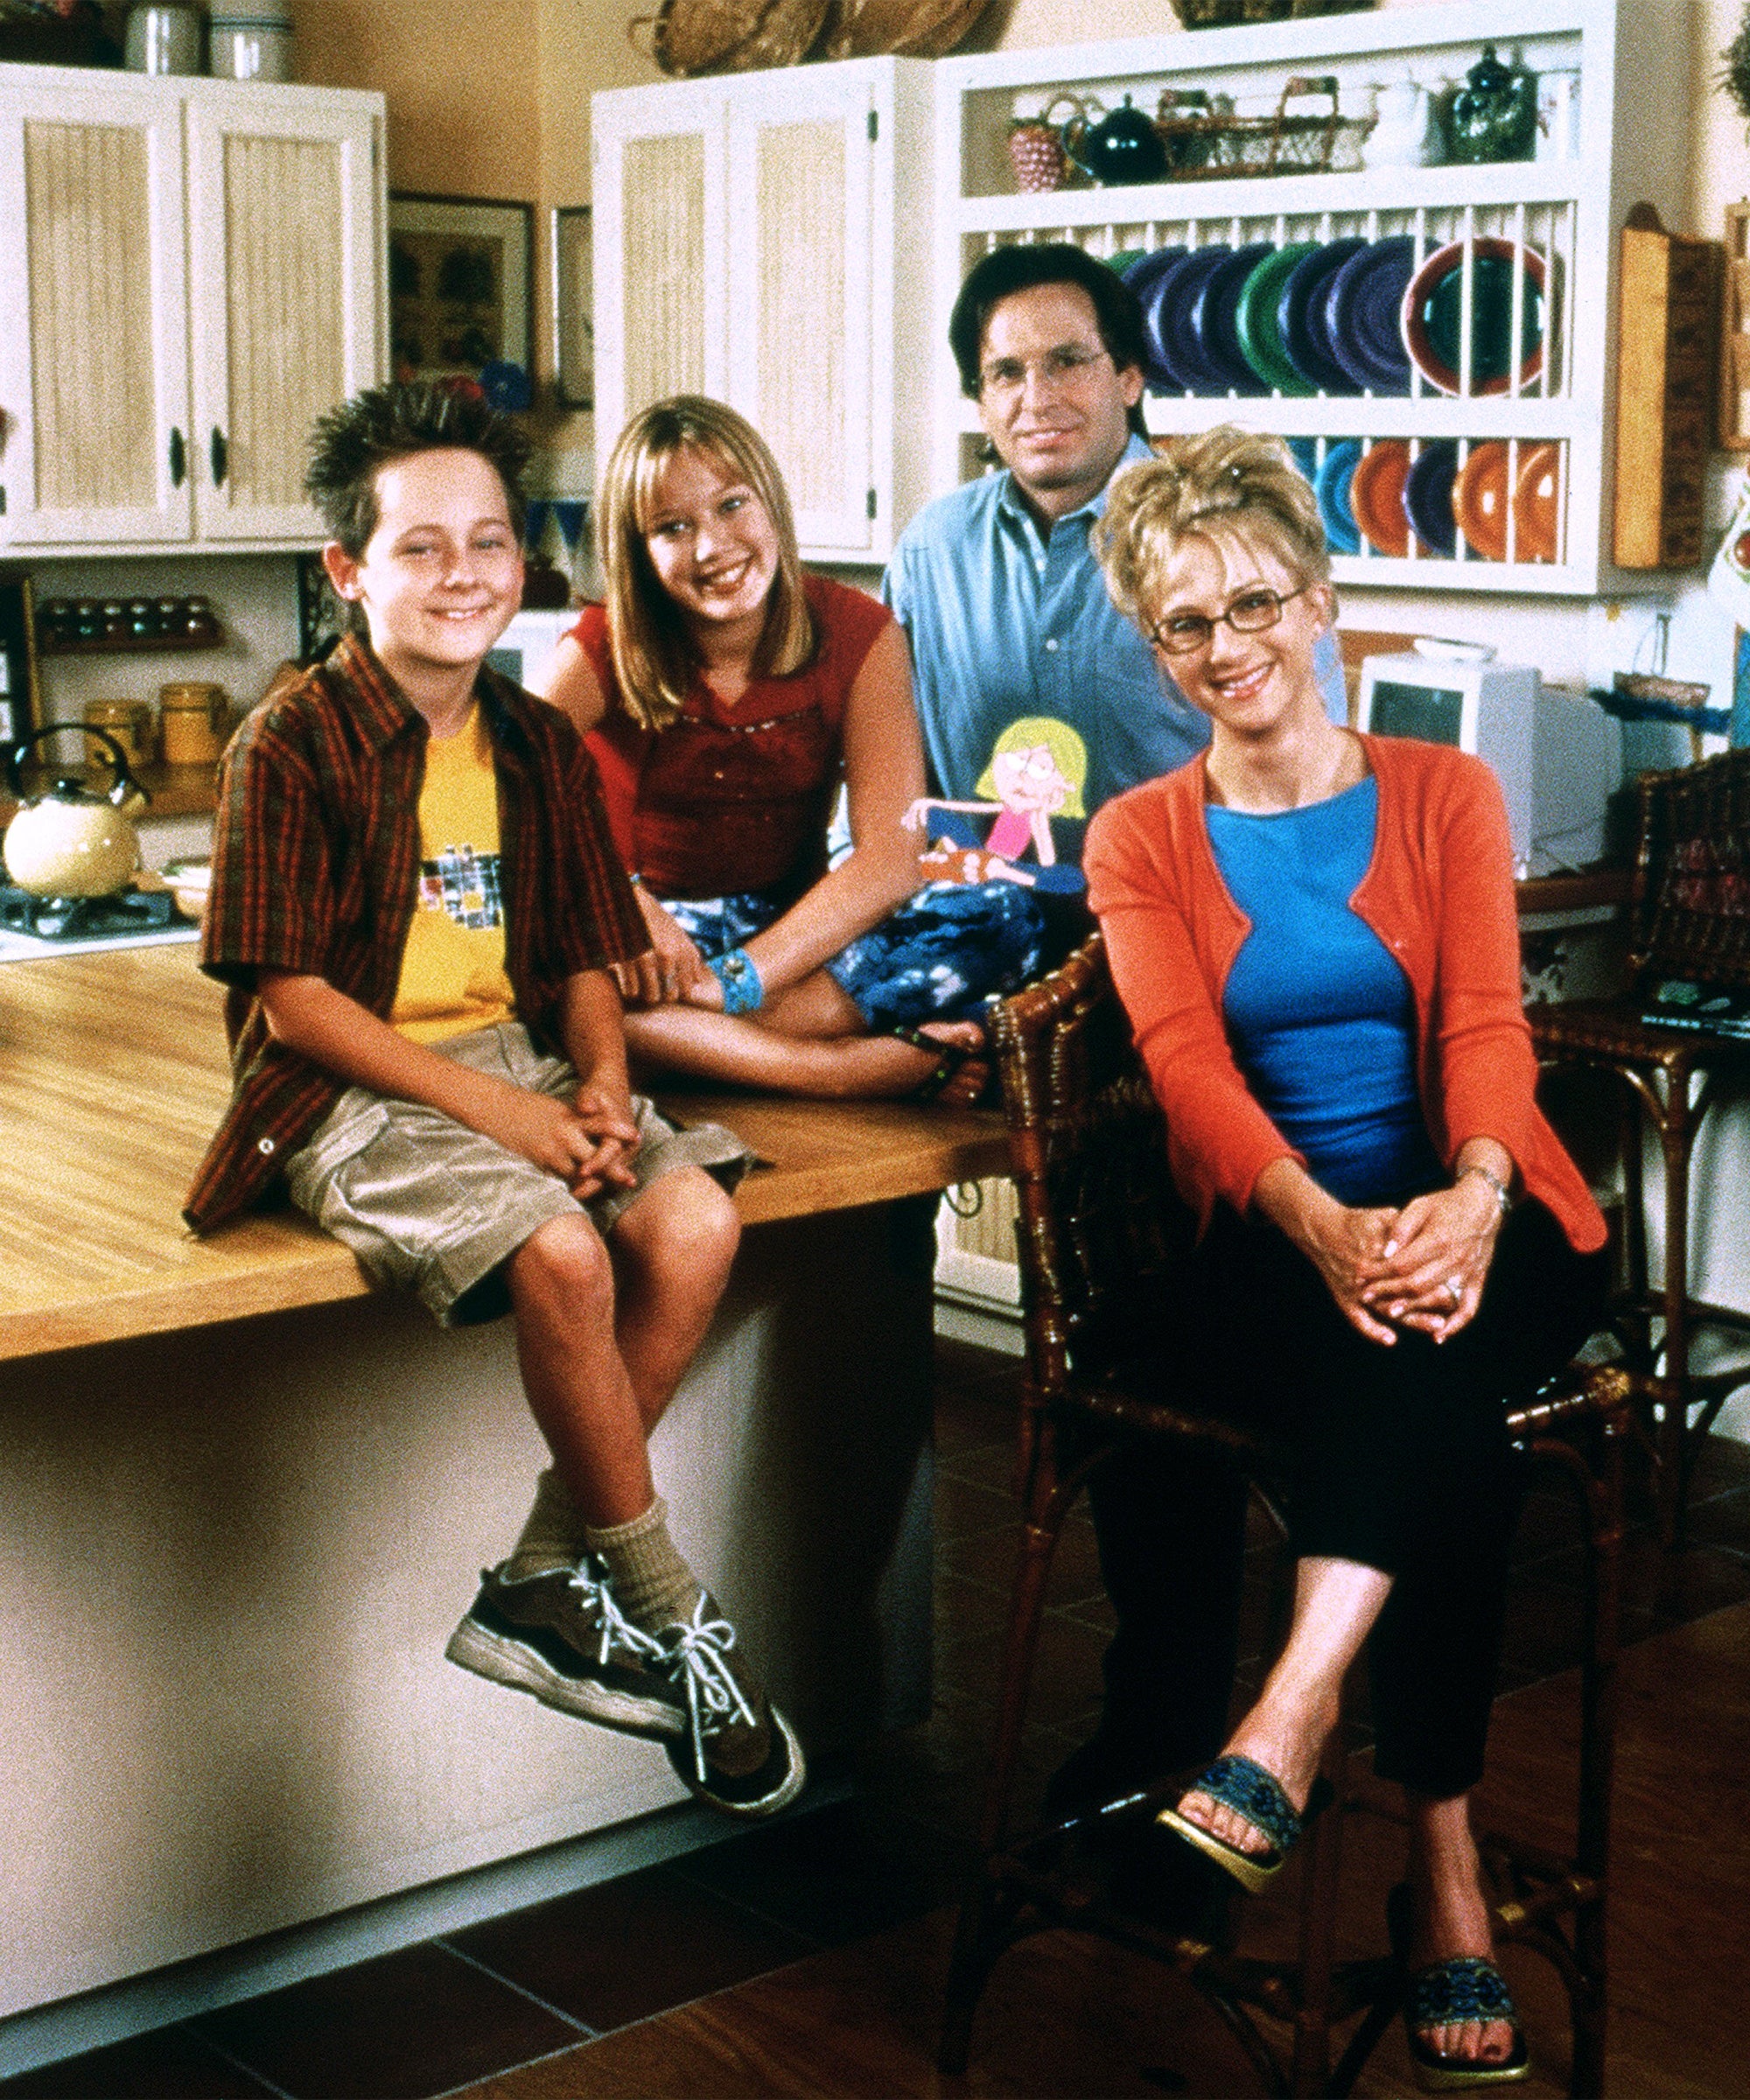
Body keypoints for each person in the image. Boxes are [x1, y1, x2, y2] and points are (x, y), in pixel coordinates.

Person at [182, 382, 805, 1821]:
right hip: (351, 1090)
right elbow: (296, 1004)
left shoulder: (533, 740)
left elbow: (584, 953)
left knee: (697, 1223)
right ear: (348, 571)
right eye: (420, 547)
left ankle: (539, 1577)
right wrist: (512, 1125)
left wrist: (601, 1083)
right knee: (564, 1249)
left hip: (528, 1062)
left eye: (490, 541)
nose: (463, 573)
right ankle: (667, 1601)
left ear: (524, 557)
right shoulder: (289, 743)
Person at [1084, 425, 1610, 2087]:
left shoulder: (1447, 791)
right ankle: (1442, 1871)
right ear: (1156, 651)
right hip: (1274, 1227)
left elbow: (1486, 1025)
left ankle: (1290, 1717)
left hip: (1485, 1206)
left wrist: (1472, 1195)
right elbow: (1186, 1070)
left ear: (1320, 603)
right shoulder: (1138, 836)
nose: (1227, 645)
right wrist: (1321, 1226)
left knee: (1421, 1347)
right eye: (1186, 623)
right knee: (1429, 1403)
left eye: (1254, 603)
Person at [884, 242, 1327, 1830]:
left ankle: (1233, 1713)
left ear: (1131, 376)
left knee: (1211, 1344)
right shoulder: (933, 549)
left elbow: (1299, 768)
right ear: (977, 400)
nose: (1038, 395)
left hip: (1205, 986)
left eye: (1068, 360)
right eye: (1004, 371)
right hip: (1019, 991)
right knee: (1100, 1352)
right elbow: (915, 786)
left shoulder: (1214, 542)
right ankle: (1157, 1716)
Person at [539, 395, 1040, 1102]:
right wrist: (619, 898)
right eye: (672, 527)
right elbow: (499, 772)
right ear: (637, 551)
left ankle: (680, 1046)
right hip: (649, 943)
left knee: (1002, 910)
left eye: (731, 505)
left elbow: (891, 857)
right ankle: (824, 1068)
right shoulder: (602, 643)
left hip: (789, 937)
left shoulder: (860, 631)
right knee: (543, 962)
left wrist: (736, 982)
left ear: (771, 501)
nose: (712, 547)